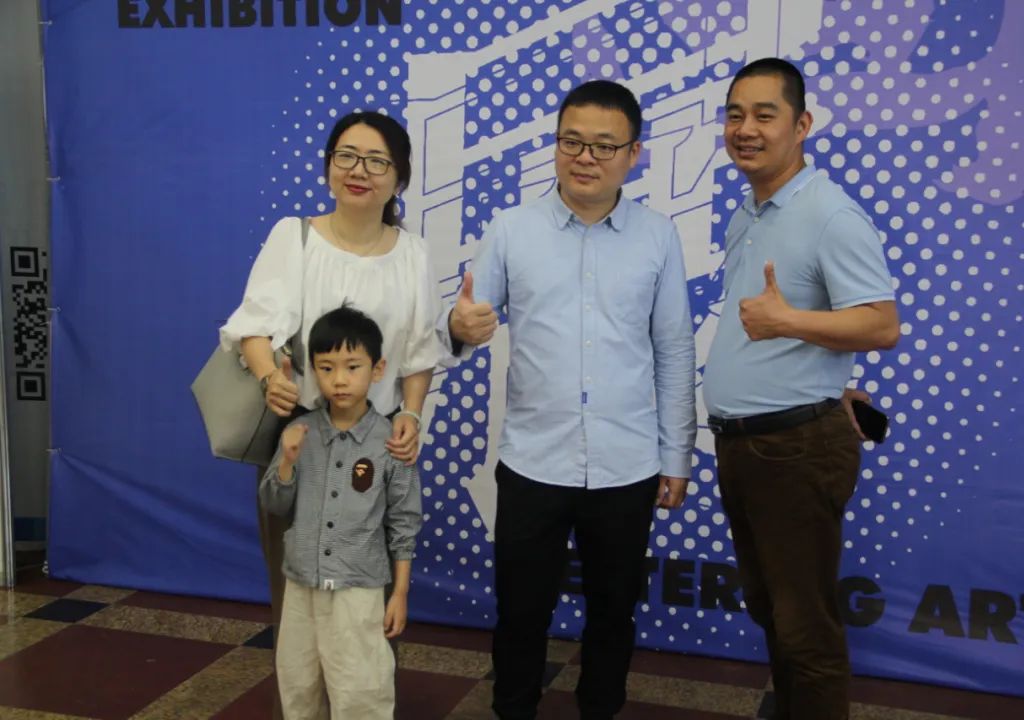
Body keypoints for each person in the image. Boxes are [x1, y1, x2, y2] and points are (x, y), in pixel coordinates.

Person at [447, 80, 697, 720]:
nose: (585, 157)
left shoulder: (657, 236)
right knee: (520, 612)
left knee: (613, 614)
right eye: (571, 142)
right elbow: (465, 322)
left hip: (627, 464)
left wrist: (677, 456)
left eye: (604, 146)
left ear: (634, 153)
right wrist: (458, 328)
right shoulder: (512, 229)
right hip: (533, 460)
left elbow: (673, 351)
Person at [219, 111, 441, 719]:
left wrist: (412, 415)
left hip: (377, 443)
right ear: (327, 167)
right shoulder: (294, 237)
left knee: (370, 603)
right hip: (301, 439)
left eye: (376, 160)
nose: (358, 171)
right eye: (346, 156)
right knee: (296, 600)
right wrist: (270, 378)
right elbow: (253, 327)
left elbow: (420, 352)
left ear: (399, 177)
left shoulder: (413, 253)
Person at [702, 58, 900, 720]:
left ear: (802, 124)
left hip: (793, 448)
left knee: (804, 627)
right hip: (747, 444)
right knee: (773, 612)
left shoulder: (829, 213)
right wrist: (829, 380)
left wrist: (787, 322)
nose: (746, 129)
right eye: (735, 115)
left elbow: (881, 324)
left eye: (765, 115)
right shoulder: (750, 211)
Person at [259, 306, 421, 720]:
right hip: (302, 585)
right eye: (326, 368)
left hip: (358, 590)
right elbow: (274, 505)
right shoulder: (299, 433)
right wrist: (287, 461)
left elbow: (404, 522)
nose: (340, 379)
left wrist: (400, 593)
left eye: (352, 366)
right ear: (313, 371)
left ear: (378, 369)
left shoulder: (391, 442)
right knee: (298, 688)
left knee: (361, 693)